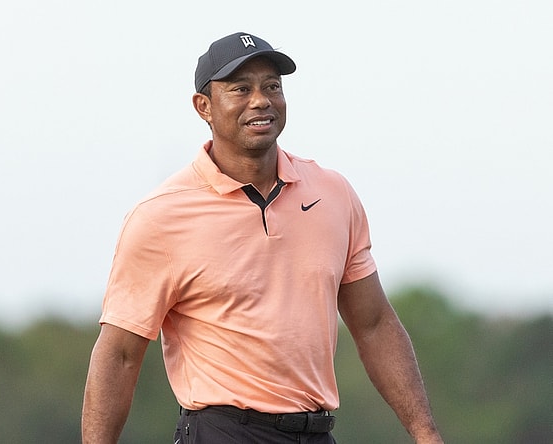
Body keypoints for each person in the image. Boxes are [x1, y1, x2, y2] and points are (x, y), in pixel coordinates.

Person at [82, 32, 443, 443]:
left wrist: (424, 432)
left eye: (272, 86)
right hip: (222, 432)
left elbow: (375, 324)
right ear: (204, 107)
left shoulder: (333, 194)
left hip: (316, 431)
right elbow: (120, 355)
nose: (261, 100)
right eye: (241, 89)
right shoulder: (161, 217)